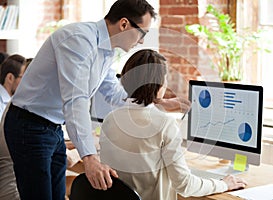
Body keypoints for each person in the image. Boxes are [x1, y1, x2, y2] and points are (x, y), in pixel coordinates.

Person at [3, 0, 190, 199]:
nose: (142, 41)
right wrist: (90, 158)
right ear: (124, 24)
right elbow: (76, 101)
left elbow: (114, 93)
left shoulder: (105, 50)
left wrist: (156, 102)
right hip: (29, 125)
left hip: (53, 127)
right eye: (142, 33)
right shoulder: (79, 40)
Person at [99, 49, 248, 200]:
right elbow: (184, 185)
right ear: (159, 85)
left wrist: (157, 104)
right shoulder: (164, 124)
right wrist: (224, 184)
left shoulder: (110, 119)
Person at [0, 54, 27, 200]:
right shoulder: (9, 108)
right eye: (24, 78)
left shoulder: (13, 103)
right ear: (10, 78)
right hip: (9, 184)